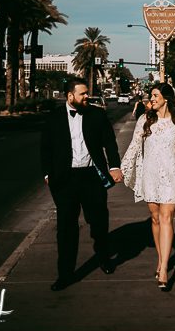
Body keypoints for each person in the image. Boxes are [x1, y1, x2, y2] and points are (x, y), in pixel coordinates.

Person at [41, 76, 123, 291]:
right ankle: (65, 275)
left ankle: (103, 257)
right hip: (65, 180)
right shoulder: (54, 118)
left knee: (98, 222)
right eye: (83, 93)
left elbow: (109, 142)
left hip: (91, 177)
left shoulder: (97, 114)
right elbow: (45, 148)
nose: (87, 96)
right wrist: (47, 174)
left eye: (87, 93)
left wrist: (114, 166)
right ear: (70, 96)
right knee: (66, 228)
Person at [120, 83, 175, 289]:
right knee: (155, 217)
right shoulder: (145, 121)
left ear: (166, 98)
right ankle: (161, 258)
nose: (151, 99)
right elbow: (135, 146)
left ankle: (163, 270)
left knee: (166, 217)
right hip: (151, 175)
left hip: (172, 174)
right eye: (151, 95)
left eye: (155, 95)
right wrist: (122, 168)